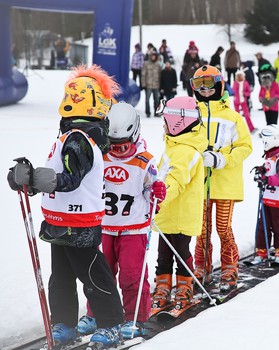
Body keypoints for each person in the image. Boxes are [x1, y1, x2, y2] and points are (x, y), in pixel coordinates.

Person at [8, 65, 124, 348]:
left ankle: (111, 324)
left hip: (80, 221)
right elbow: (57, 176)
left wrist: (41, 179)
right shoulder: (68, 137)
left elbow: (70, 179)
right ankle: (64, 323)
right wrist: (28, 181)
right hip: (58, 219)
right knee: (60, 277)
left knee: (92, 273)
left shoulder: (80, 139)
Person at [76, 102, 166, 339]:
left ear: (135, 135)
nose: (118, 150)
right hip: (103, 226)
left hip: (133, 228)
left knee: (131, 274)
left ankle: (135, 316)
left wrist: (156, 191)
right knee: (99, 273)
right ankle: (96, 313)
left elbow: (149, 189)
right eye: (113, 145)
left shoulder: (144, 161)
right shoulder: (100, 156)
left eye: (124, 145)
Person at [190, 65, 253, 290]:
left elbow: (245, 147)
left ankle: (229, 267)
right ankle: (202, 267)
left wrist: (221, 159)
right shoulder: (192, 114)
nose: (205, 90)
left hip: (225, 183)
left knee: (223, 228)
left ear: (220, 85)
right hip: (200, 183)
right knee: (201, 229)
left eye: (210, 84)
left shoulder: (232, 116)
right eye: (200, 85)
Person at [152, 96, 208, 311]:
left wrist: (160, 196)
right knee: (163, 255)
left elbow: (176, 180)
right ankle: (163, 286)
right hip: (166, 213)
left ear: (178, 123)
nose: (163, 126)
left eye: (165, 121)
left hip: (181, 214)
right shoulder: (173, 148)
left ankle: (185, 287)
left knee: (181, 254)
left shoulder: (187, 152)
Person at [252, 125, 279, 265]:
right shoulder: (272, 155)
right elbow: (270, 170)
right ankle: (262, 250)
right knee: (262, 225)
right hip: (268, 197)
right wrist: (262, 171)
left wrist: (267, 179)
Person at [141, 52, 162, 118]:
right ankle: (148, 112)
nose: (153, 57)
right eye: (152, 56)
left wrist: (161, 84)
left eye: (154, 56)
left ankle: (156, 112)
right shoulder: (146, 63)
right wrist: (143, 84)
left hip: (156, 85)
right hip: (148, 85)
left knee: (156, 100)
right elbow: (143, 74)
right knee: (147, 100)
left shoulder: (158, 64)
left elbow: (160, 75)